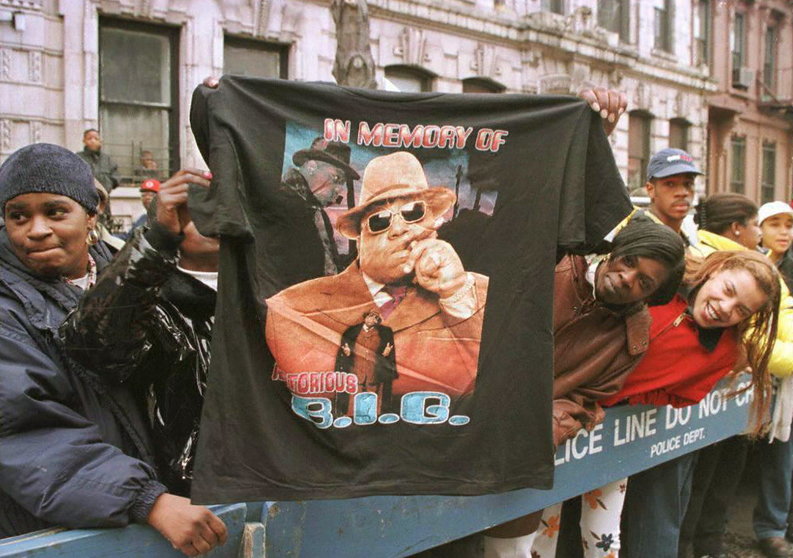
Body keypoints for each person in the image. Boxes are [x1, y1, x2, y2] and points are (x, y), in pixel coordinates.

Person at [0, 143, 226, 556]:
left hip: (161, 521)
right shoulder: (7, 310)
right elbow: (24, 435)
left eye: (54, 212)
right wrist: (145, 500)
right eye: (18, 216)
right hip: (61, 535)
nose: (36, 229)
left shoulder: (132, 272)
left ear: (92, 213)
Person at [484, 215, 687, 558]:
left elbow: (584, 399)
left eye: (644, 282)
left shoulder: (631, 339)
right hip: (457, 419)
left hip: (519, 454)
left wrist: (540, 429)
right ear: (615, 250)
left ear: (653, 295)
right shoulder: (557, 261)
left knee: (509, 548)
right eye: (628, 261)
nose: (626, 278)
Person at [266, 151, 488, 413]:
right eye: (380, 221)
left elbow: (502, 384)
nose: (400, 229)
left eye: (413, 212)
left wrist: (454, 292)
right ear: (359, 240)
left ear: (433, 224)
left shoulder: (478, 292)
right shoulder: (292, 308)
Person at [598, 250, 781, 558]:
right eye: (727, 291)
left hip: (625, 429)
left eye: (740, 310)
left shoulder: (725, 350)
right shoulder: (658, 284)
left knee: (608, 530)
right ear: (717, 270)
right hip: (572, 410)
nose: (725, 308)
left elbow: (684, 395)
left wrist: (633, 401)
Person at [61, 168, 219, 497]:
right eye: (196, 209)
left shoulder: (265, 294)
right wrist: (157, 239)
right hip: (190, 493)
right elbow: (93, 344)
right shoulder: (149, 304)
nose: (212, 218)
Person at [752, 200, 793, 558]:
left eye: (789, 225)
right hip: (766, 373)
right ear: (758, 228)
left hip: (787, 373)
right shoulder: (755, 266)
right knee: (775, 453)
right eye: (775, 224)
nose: (784, 232)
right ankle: (770, 527)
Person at [277, 138, 361, 285]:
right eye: (336, 178)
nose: (339, 189)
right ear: (311, 166)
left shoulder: (316, 212)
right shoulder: (281, 203)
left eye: (342, 182)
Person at [334, 309, 397, 414]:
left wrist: (385, 354)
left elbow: (388, 351)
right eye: (370, 316)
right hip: (355, 369)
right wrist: (347, 353)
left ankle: (372, 417)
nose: (371, 319)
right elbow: (344, 349)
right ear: (365, 317)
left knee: (373, 395)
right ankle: (353, 416)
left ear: (377, 321)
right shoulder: (352, 331)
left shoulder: (384, 332)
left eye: (375, 318)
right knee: (354, 394)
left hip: (374, 370)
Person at [643, 147, 703, 247]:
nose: (682, 193)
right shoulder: (641, 240)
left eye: (688, 184)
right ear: (651, 190)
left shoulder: (691, 242)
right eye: (670, 184)